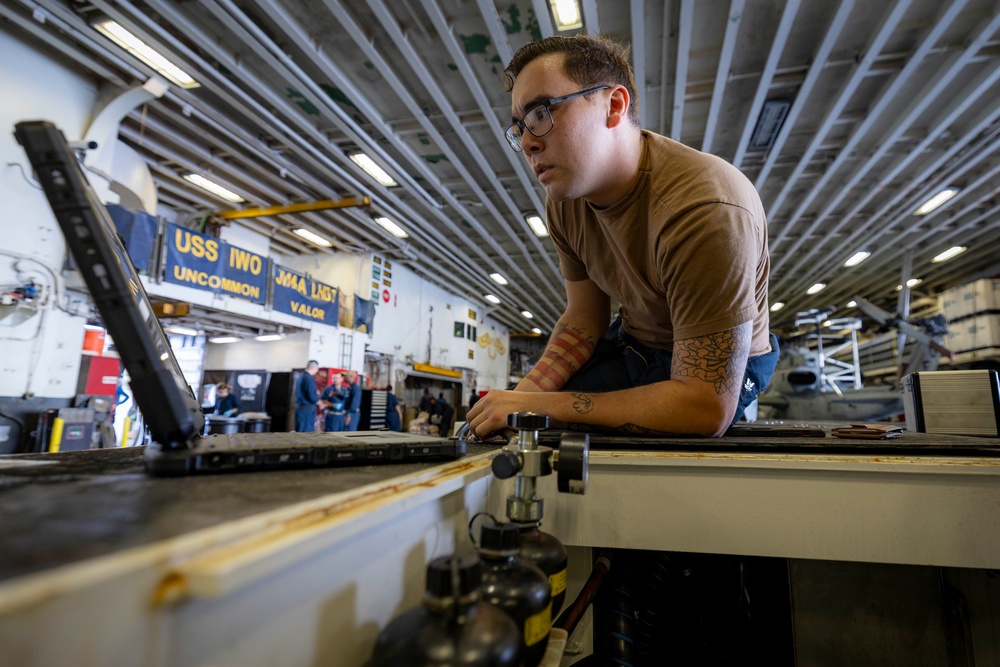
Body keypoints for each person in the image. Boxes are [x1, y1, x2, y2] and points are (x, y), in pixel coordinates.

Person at [467, 34, 778, 440]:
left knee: (567, 428)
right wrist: (515, 402)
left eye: (542, 112)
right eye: (519, 126)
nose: (527, 141)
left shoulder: (706, 211)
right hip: (633, 341)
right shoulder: (566, 200)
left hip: (719, 367)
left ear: (614, 106)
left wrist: (542, 408)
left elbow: (704, 408)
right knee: (522, 429)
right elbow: (583, 319)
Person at [294, 360, 322, 432]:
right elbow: (312, 396)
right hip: (307, 410)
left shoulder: (300, 377)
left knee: (299, 432)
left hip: (299, 408)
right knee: (306, 433)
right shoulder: (310, 379)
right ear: (314, 368)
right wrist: (320, 403)